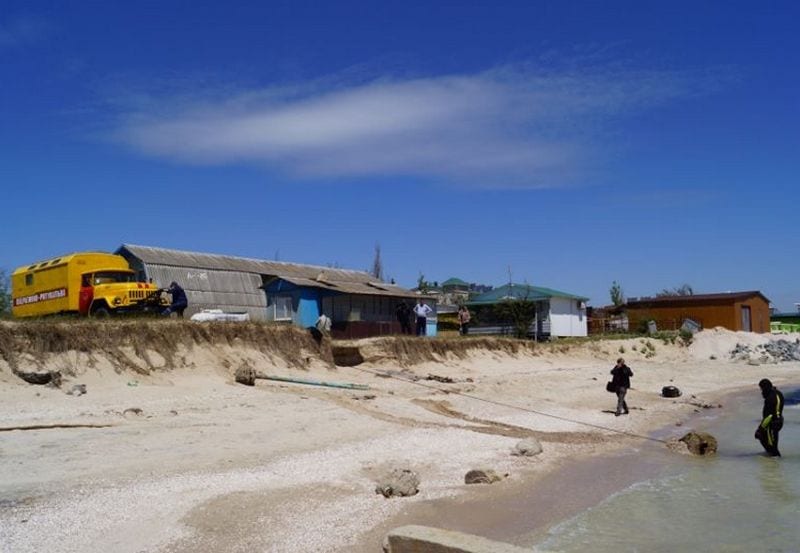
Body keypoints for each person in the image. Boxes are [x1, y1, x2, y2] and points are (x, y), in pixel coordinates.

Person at [755, 378, 784, 457]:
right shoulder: (778, 393)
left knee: (774, 449)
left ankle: (773, 463)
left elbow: (769, 416)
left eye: (762, 389)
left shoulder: (770, 398)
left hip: (773, 424)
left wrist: (760, 429)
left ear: (765, 388)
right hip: (779, 421)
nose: (761, 392)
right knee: (763, 437)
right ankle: (770, 457)